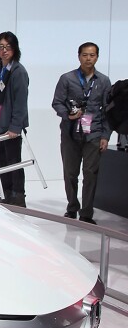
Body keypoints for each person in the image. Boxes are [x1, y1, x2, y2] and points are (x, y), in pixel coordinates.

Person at [52, 42, 112, 225]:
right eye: (85, 55)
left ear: (97, 57)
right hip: (70, 133)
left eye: (92, 55)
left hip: (93, 134)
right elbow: (57, 103)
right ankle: (72, 207)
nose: (88, 59)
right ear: (79, 56)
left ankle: (86, 213)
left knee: (90, 173)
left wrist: (105, 136)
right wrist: (68, 115)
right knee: (70, 173)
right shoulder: (67, 78)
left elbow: (108, 110)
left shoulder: (103, 81)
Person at [0, 31, 29, 207]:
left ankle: (18, 196)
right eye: (1, 47)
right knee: (2, 160)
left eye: (8, 47)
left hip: (11, 126)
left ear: (15, 49)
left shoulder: (18, 71)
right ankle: (6, 193)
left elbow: (20, 102)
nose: (4, 50)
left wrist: (16, 127)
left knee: (14, 161)